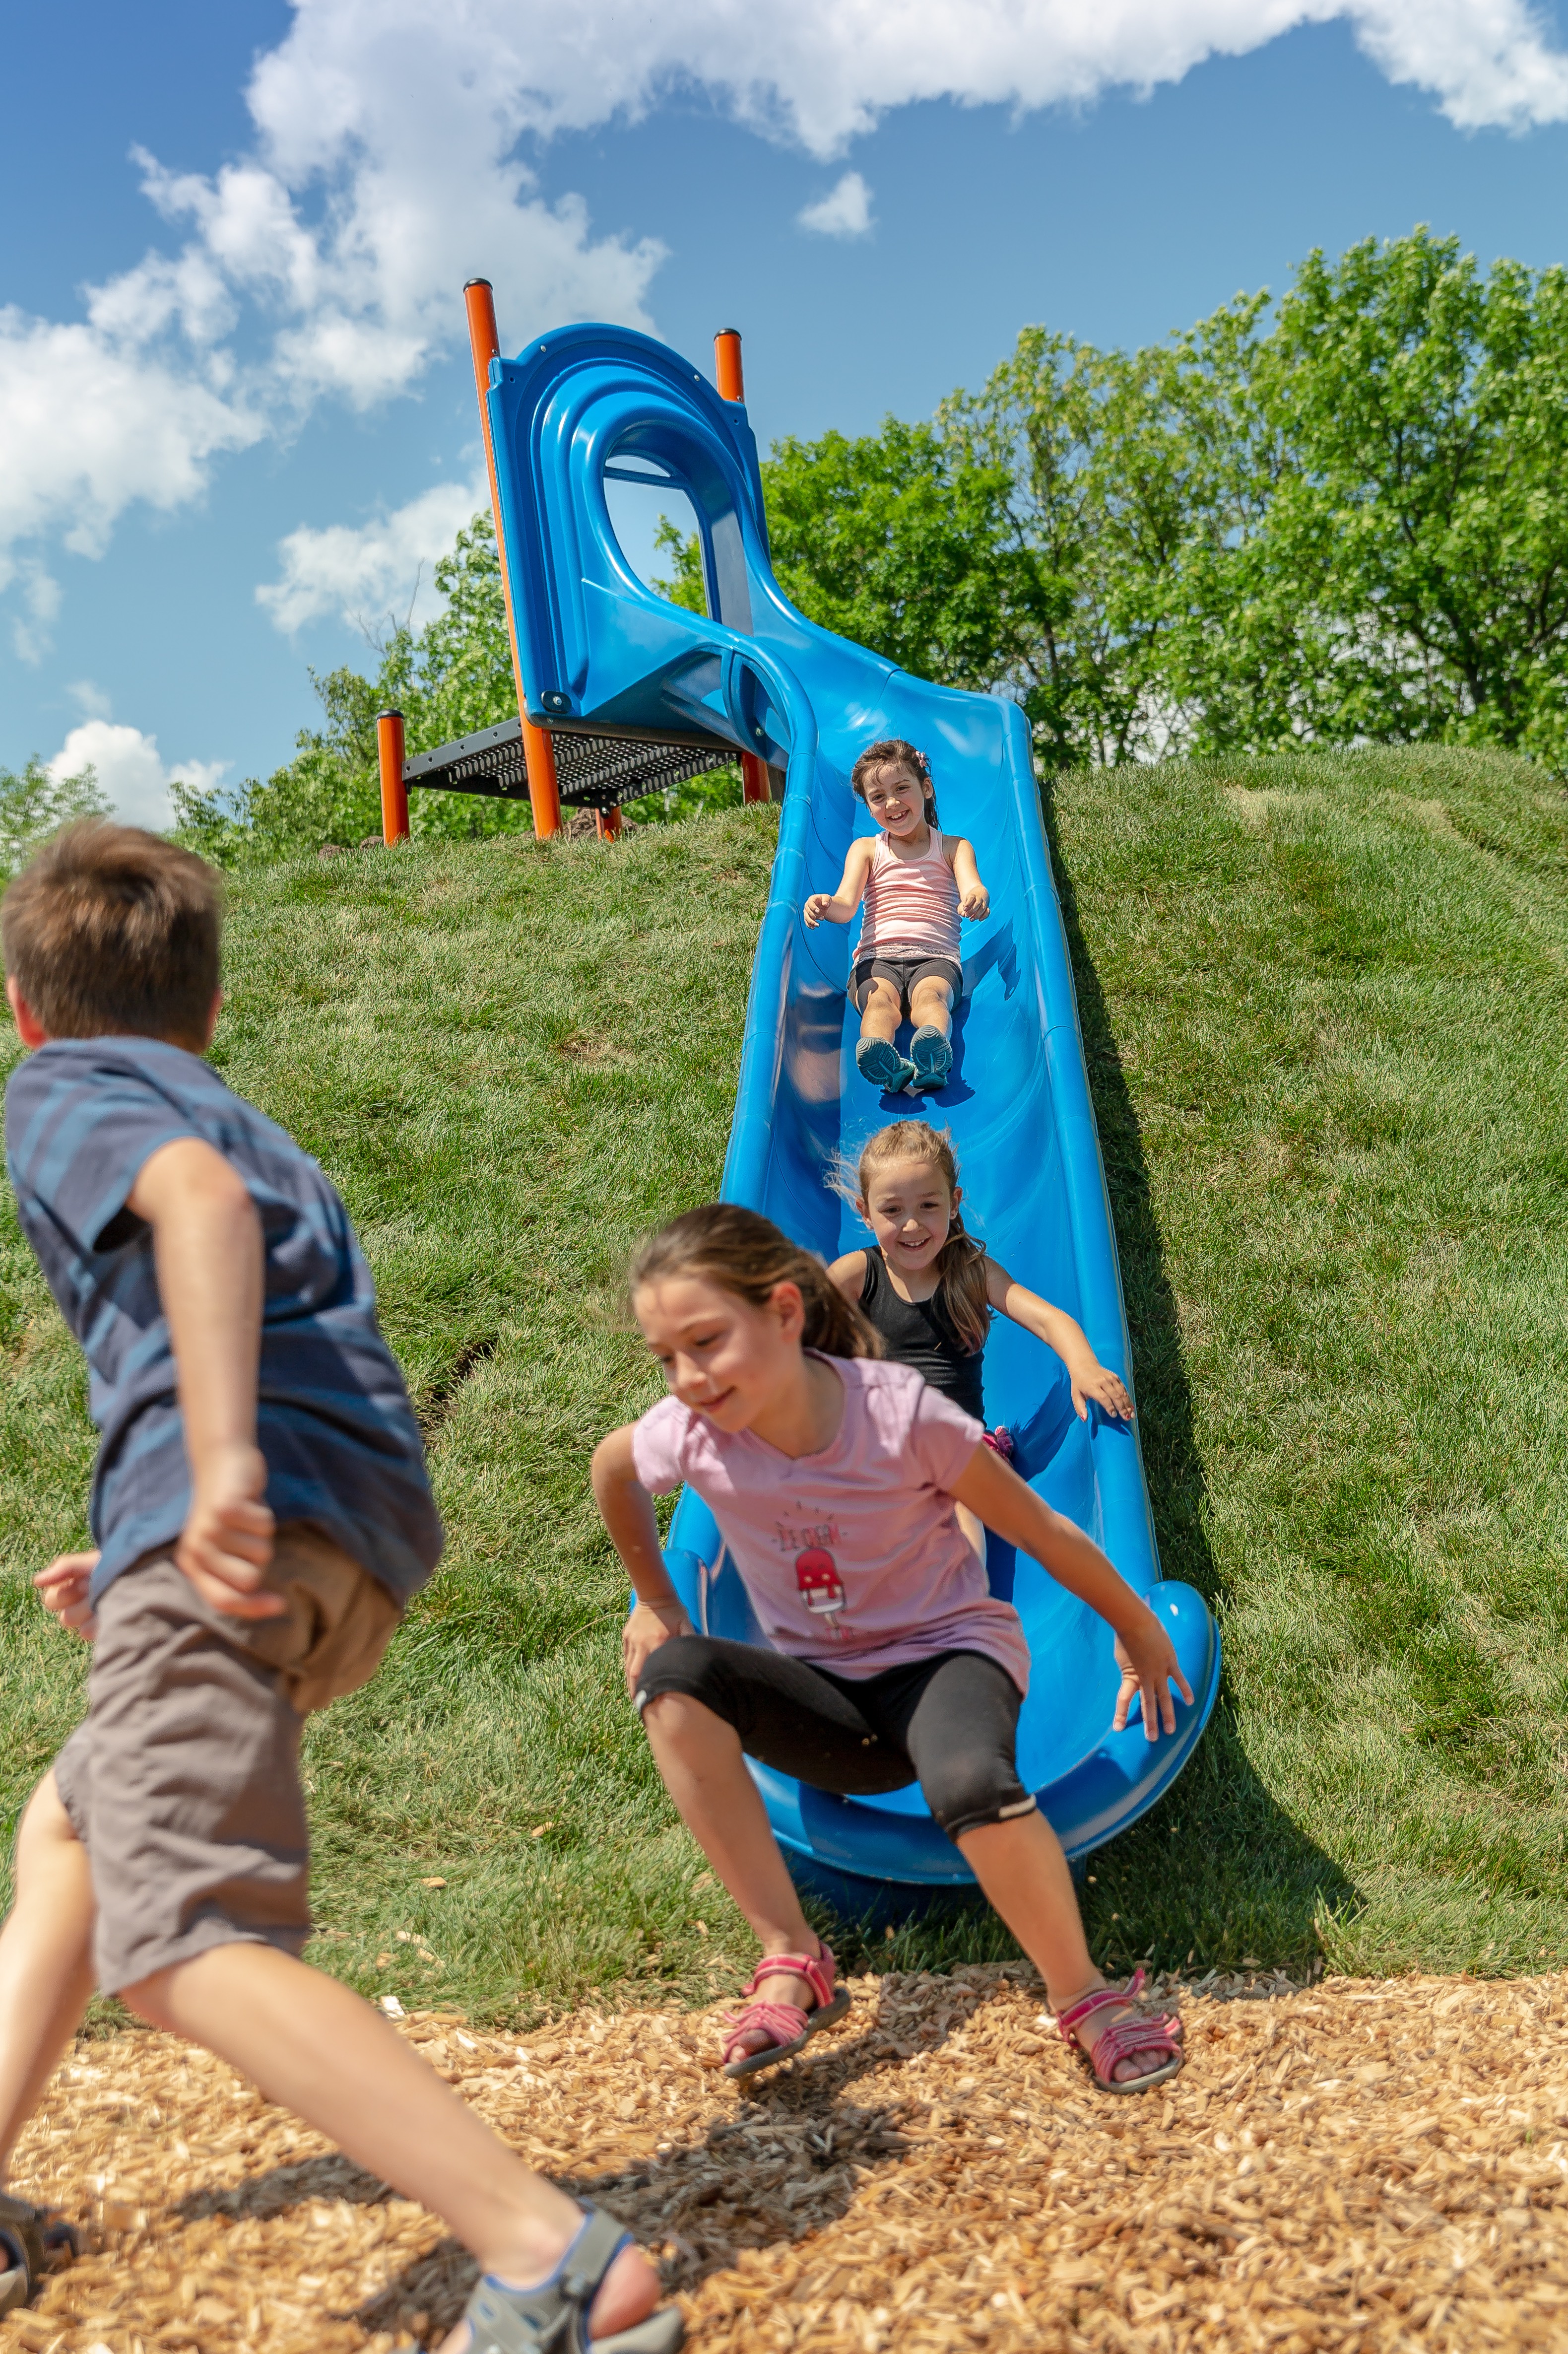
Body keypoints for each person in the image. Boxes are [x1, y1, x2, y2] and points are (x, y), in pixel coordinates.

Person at [0, 824, 680, 2354]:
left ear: (28, 1009)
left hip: (246, 1511)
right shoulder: (248, 1118)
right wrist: (143, 1544)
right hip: (357, 1531)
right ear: (210, 1010)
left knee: (178, 1944)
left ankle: (555, 2259)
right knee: (74, 1829)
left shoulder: (64, 1090)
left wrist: (219, 1473)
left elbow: (195, 1214)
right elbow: (269, 1279)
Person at [590, 1203, 1190, 2097]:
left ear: (787, 1313)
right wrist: (655, 1598)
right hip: (830, 1697)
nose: (687, 1377)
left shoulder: (896, 1415)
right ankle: (794, 1954)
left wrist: (1137, 1627)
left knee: (968, 1783)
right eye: (666, 1357)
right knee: (674, 1681)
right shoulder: (696, 1429)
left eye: (708, 1341)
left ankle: (1084, 1992)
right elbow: (612, 1466)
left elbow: (1036, 1526)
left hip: (946, 1659)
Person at [827, 1120, 1134, 1560]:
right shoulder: (857, 1274)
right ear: (865, 1211)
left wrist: (1082, 1364)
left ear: (954, 1204)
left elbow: (1050, 1321)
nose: (911, 1224)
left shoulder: (972, 1273)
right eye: (892, 1210)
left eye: (928, 1205)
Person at [803, 739, 988, 1097]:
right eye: (878, 797)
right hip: (876, 959)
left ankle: (933, 1055)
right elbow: (847, 905)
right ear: (870, 808)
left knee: (930, 999)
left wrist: (976, 898)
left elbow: (973, 886)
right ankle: (882, 1057)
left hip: (935, 957)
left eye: (902, 788)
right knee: (879, 1003)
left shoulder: (953, 847)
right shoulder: (868, 849)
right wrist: (826, 905)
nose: (892, 803)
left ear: (926, 788)